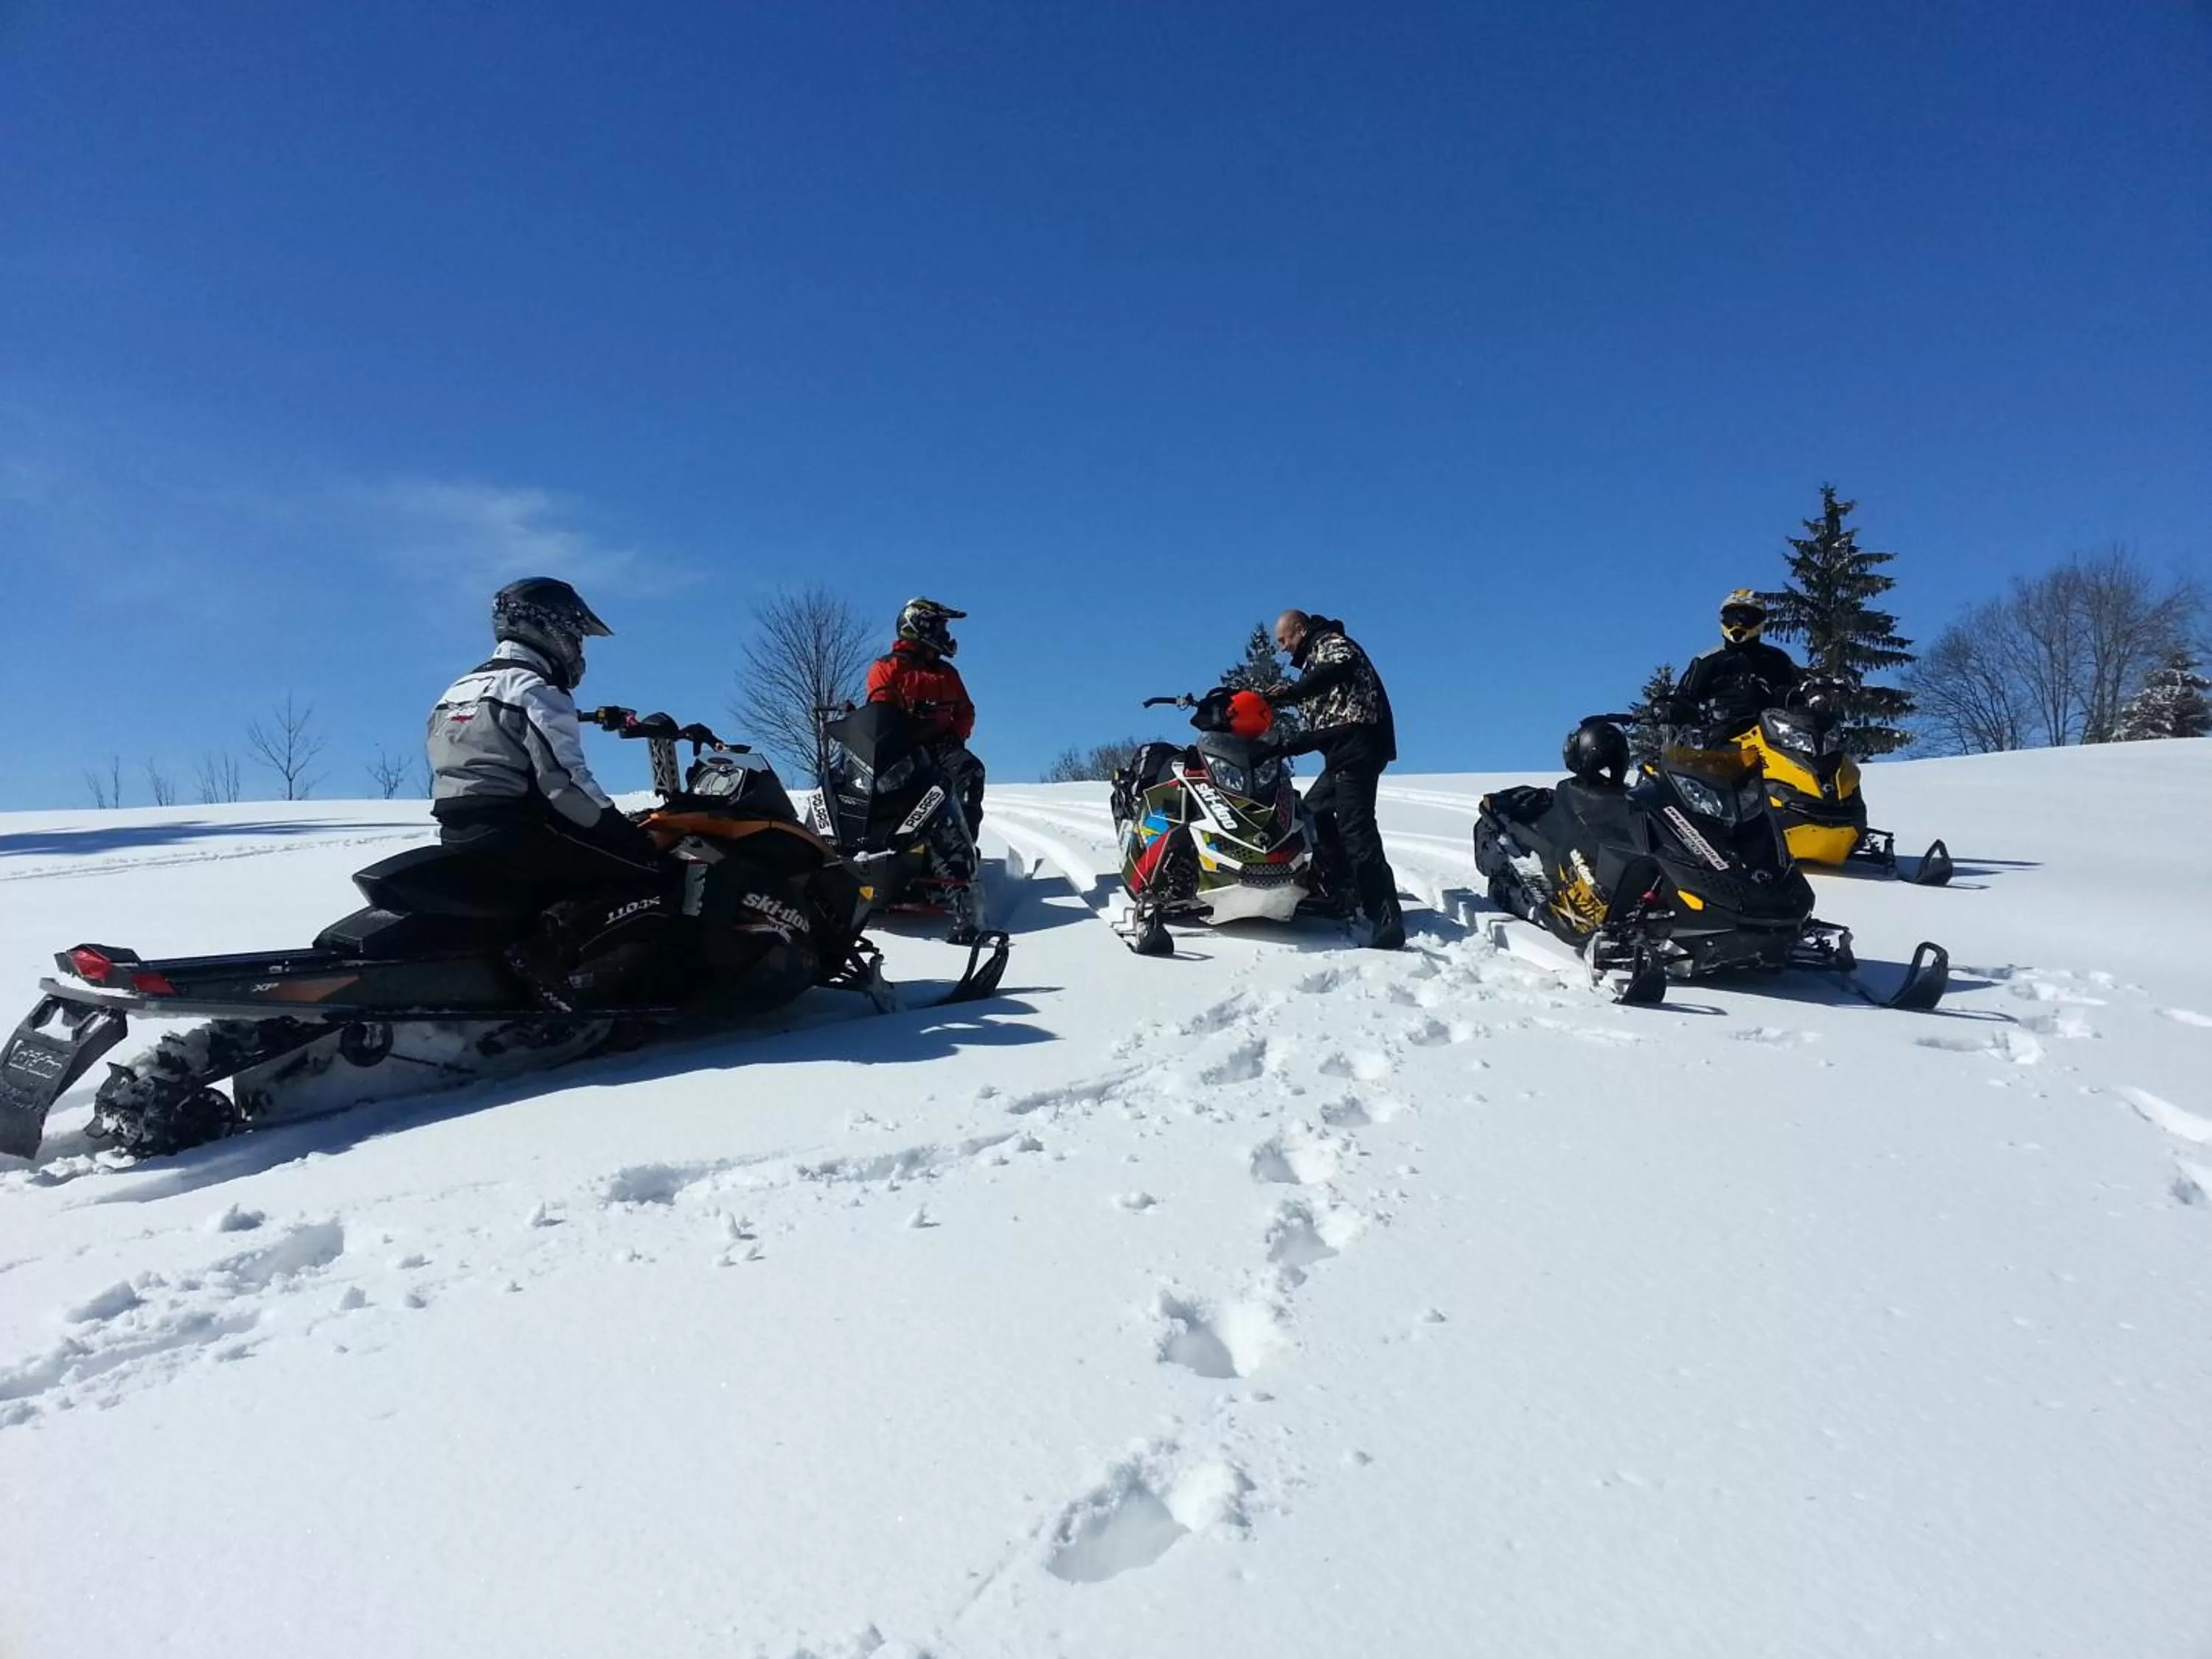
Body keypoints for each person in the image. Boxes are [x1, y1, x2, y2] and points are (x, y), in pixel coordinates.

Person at [427, 577, 669, 1006]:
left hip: (460, 827)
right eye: (576, 635)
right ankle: (559, 971)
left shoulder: (458, 689)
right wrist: (620, 832)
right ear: (549, 628)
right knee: (647, 873)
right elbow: (564, 782)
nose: (577, 647)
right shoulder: (534, 689)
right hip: (518, 828)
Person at [1258, 610, 1405, 950]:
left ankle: (1385, 915)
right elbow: (1324, 730)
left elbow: (1340, 666)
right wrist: (1278, 747)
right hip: (1343, 753)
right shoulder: (1315, 663)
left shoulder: (1330, 644)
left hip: (1359, 750)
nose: (1282, 648)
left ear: (1300, 630)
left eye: (1284, 640)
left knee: (1357, 830)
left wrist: (1292, 692)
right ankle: (1342, 886)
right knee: (1311, 812)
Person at [865, 597, 989, 941]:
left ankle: (963, 849)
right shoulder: (887, 667)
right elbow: (879, 709)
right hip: (898, 746)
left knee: (970, 772)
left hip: (940, 746)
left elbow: (965, 711)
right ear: (919, 627)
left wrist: (954, 737)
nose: (944, 634)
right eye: (939, 627)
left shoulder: (947, 673)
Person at [1666, 589, 1803, 735]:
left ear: (1760, 621)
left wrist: (1814, 691)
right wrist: (1669, 708)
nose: (1738, 624)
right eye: (1732, 617)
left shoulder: (1777, 658)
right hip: (1720, 734)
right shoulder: (1706, 661)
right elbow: (1684, 697)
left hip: (1773, 732)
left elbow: (1799, 687)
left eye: (1745, 618)